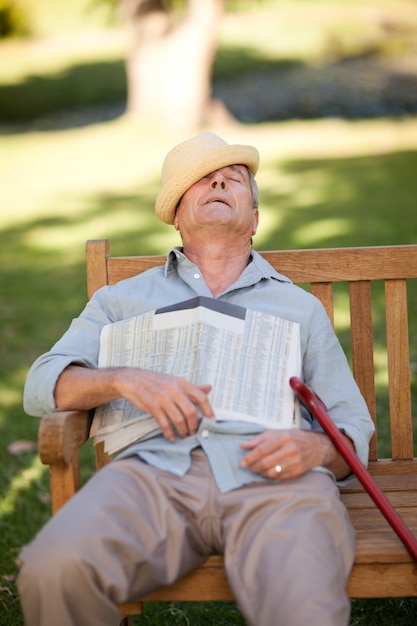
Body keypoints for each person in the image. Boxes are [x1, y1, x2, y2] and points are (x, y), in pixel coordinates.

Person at [18, 132, 374, 626]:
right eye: (203, 180)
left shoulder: (299, 308)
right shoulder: (120, 301)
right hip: (153, 475)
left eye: (234, 180)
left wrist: (316, 451)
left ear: (254, 219)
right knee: (50, 568)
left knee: (303, 609)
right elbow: (43, 384)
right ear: (177, 217)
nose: (220, 181)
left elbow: (352, 421)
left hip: (276, 481)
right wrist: (122, 380)